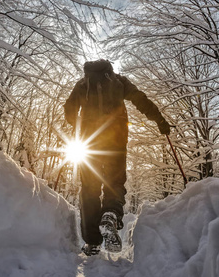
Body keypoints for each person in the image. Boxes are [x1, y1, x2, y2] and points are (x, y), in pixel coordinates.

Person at [64, 59, 170, 256]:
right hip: (116, 141)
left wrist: (79, 122)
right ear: (109, 68)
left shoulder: (82, 84)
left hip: (89, 144)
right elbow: (140, 99)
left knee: (89, 189)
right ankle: (110, 215)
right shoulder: (119, 81)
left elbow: (69, 112)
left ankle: (92, 243)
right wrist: (160, 120)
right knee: (115, 182)